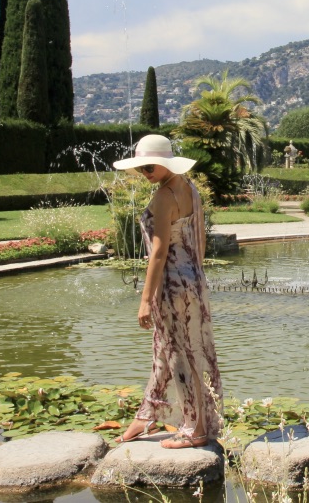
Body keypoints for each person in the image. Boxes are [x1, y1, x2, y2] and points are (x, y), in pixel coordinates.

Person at [112, 134, 223, 449]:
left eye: (149, 167)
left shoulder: (164, 196)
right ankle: (146, 415)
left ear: (163, 164)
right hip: (193, 280)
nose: (145, 174)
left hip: (171, 284)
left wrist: (146, 300)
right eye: (142, 168)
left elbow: (158, 253)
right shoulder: (189, 188)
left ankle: (196, 429)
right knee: (167, 350)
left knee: (180, 356)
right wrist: (195, 279)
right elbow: (198, 241)